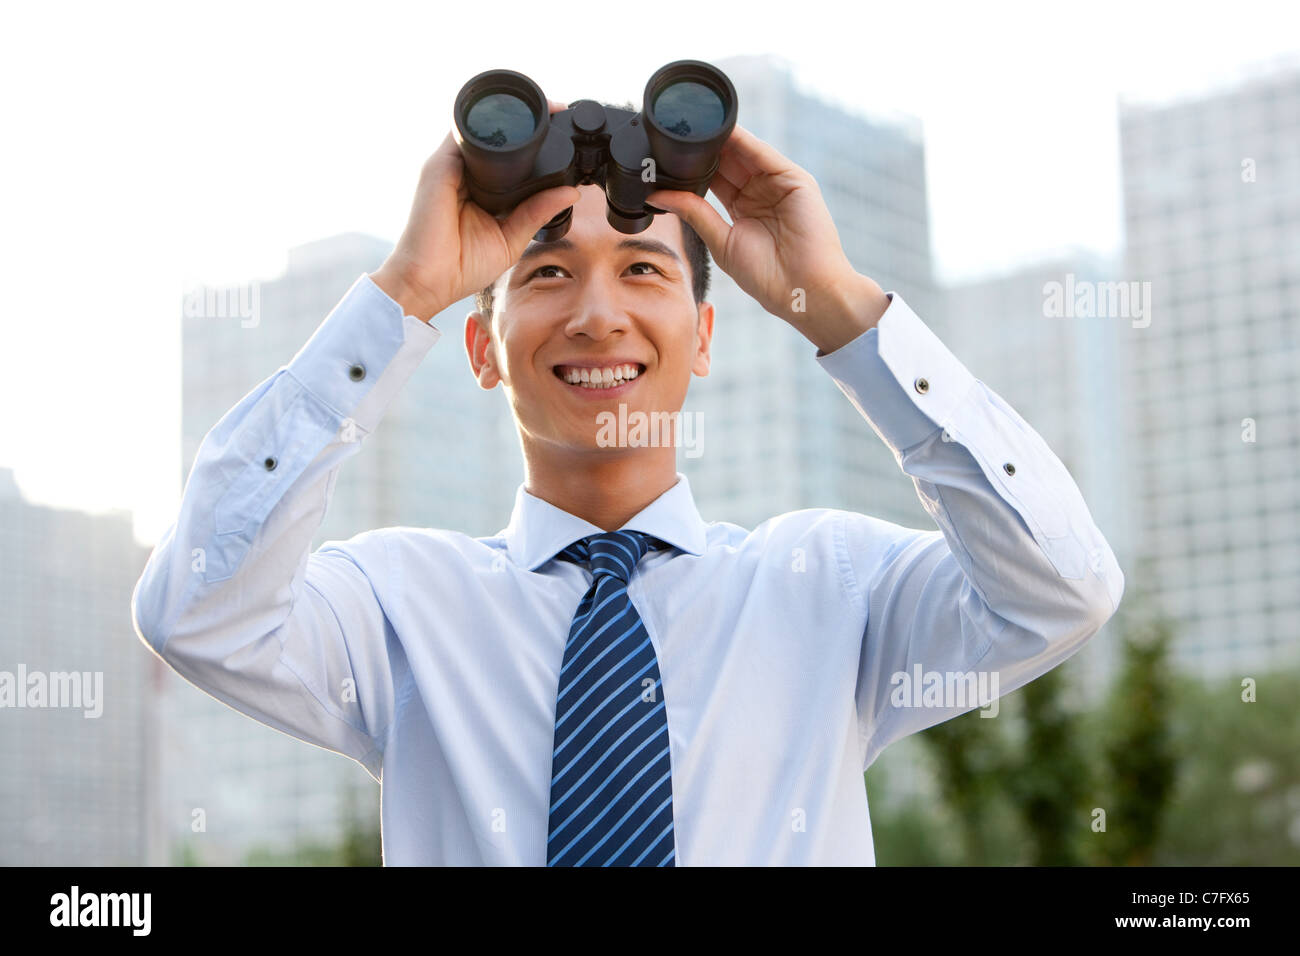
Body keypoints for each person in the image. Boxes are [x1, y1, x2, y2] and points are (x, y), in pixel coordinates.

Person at [131, 97, 1124, 866]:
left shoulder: (830, 584)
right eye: (548, 273)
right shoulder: (397, 607)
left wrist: (841, 310)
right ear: (480, 347)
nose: (598, 314)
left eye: (644, 271)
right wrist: (401, 296)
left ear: (702, 335)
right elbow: (198, 614)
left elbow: (1062, 587)